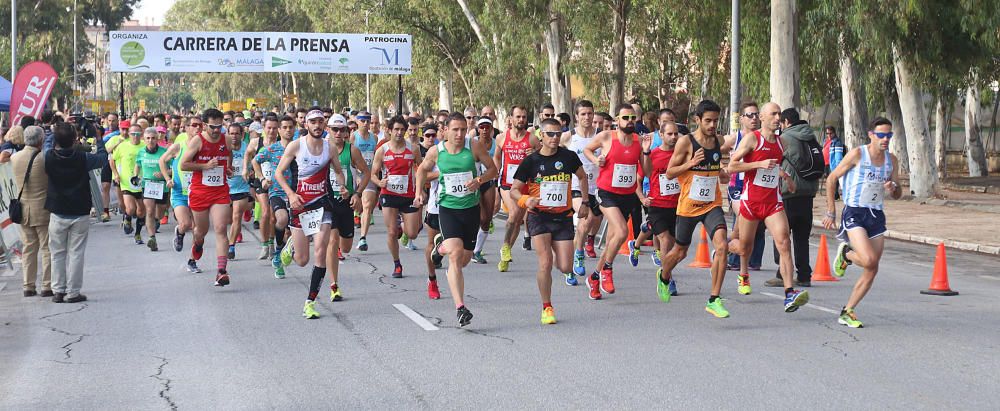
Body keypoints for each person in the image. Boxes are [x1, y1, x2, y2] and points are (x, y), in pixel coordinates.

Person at [415, 112, 498, 327]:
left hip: (470, 209)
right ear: (446, 131)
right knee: (455, 255)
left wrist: (479, 180)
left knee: (464, 259)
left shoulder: (475, 147)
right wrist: (418, 192)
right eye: (455, 129)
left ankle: (439, 247)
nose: (460, 134)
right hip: (448, 208)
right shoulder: (436, 151)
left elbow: (493, 170)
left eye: (463, 129)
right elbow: (421, 170)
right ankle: (460, 307)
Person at [726, 102, 810, 312]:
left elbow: (774, 165)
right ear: (762, 118)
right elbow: (732, 166)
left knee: (784, 243)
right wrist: (757, 164)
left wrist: (784, 175)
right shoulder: (752, 139)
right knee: (745, 247)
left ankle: (789, 293)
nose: (777, 117)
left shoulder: (782, 142)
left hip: (773, 202)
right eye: (773, 114)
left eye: (779, 114)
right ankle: (731, 258)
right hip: (751, 202)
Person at [822, 117, 902, 328]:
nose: (886, 139)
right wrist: (831, 211)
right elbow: (831, 179)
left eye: (889, 135)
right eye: (882, 135)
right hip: (855, 212)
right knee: (868, 259)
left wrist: (894, 189)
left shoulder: (891, 161)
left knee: (873, 266)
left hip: (876, 215)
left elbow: (898, 192)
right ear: (871, 135)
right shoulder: (858, 154)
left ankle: (848, 310)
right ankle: (846, 253)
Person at [511, 118, 589, 324]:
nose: (555, 138)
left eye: (558, 133)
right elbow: (514, 190)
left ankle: (558, 255)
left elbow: (582, 177)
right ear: (541, 136)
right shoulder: (531, 161)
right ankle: (547, 307)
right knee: (545, 263)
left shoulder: (569, 157)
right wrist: (526, 200)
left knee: (565, 267)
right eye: (550, 134)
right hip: (539, 217)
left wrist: (585, 202)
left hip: (563, 218)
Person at [274, 109, 348, 319]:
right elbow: (279, 173)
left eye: (320, 122)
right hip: (300, 205)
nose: (317, 125)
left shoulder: (330, 147)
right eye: (313, 122)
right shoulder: (296, 146)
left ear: (324, 125)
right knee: (302, 260)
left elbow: (339, 172)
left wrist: (342, 186)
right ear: (306, 125)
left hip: (322, 204)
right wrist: (290, 194)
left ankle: (310, 302)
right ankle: (290, 247)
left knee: (320, 250)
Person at [660, 100, 730, 317]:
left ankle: (714, 298)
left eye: (716, 121)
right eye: (708, 120)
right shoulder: (686, 143)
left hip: (712, 204)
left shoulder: (718, 140)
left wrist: (722, 173)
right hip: (689, 206)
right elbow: (670, 172)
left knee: (722, 246)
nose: (712, 125)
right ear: (697, 120)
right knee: (680, 252)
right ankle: (663, 275)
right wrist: (690, 163)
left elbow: (717, 168)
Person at [582, 104, 647, 300]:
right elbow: (587, 149)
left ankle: (594, 278)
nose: (629, 121)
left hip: (627, 196)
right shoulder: (607, 136)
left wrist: (647, 152)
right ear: (617, 120)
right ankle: (607, 271)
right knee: (622, 232)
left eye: (632, 118)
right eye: (625, 117)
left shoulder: (639, 141)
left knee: (612, 242)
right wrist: (595, 160)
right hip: (606, 193)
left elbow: (647, 171)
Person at [45, 122, 108, 303]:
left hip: (57, 211)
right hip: (79, 211)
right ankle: (73, 292)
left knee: (57, 253)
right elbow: (102, 158)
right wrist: (98, 137)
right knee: (76, 252)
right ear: (74, 139)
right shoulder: (83, 157)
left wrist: (52, 130)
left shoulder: (49, 157)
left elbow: (47, 145)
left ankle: (58, 290)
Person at [765, 108, 821, 288]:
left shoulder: (786, 138)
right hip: (808, 194)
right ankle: (804, 275)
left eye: (780, 122)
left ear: (786, 122)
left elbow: (772, 158)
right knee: (801, 237)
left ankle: (782, 275)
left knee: (780, 234)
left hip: (790, 193)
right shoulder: (811, 136)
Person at [180, 108, 234, 287]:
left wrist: (228, 168)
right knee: (201, 231)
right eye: (213, 127)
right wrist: (205, 166)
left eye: (220, 126)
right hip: (200, 192)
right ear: (204, 125)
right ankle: (197, 245)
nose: (217, 130)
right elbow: (184, 165)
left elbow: (228, 156)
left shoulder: (226, 140)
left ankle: (221, 271)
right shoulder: (197, 141)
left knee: (220, 228)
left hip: (220, 190)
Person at [324, 114, 370, 302]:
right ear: (328, 130)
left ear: (346, 132)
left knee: (346, 246)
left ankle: (339, 252)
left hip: (346, 202)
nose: (338, 133)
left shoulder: (352, 151)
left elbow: (366, 173)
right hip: (327, 201)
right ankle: (334, 285)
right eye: (334, 129)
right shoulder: (321, 149)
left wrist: (357, 194)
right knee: (332, 241)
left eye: (342, 129)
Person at [370, 116, 423, 278]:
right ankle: (397, 264)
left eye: (402, 130)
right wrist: (380, 183)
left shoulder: (413, 149)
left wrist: (420, 190)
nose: (399, 133)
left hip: (408, 195)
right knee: (392, 232)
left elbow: (420, 169)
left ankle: (404, 229)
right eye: (396, 130)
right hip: (389, 195)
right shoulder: (383, 150)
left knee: (412, 233)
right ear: (390, 130)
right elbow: (372, 174)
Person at [639, 122, 681, 301]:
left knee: (674, 245)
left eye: (675, 134)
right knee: (665, 240)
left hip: (678, 206)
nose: (673, 137)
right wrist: (642, 197)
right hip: (657, 205)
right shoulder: (653, 154)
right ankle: (667, 278)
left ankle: (665, 272)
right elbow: (641, 177)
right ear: (661, 136)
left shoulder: (682, 155)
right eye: (669, 134)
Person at [494, 105, 538, 272]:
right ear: (511, 119)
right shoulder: (501, 138)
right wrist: (494, 175)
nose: (521, 120)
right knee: (513, 214)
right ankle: (505, 247)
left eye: (524, 117)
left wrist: (533, 154)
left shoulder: (532, 139)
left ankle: (506, 252)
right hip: (506, 183)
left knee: (518, 220)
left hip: (524, 185)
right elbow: (497, 157)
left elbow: (542, 159)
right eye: (518, 117)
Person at [723, 102, 766, 272]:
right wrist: (721, 167)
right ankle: (731, 256)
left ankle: (754, 261)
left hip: (758, 187)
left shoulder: (763, 137)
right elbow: (713, 151)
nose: (754, 118)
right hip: (738, 187)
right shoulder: (735, 138)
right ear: (742, 119)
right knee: (743, 217)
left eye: (756, 114)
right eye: (750, 115)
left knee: (759, 222)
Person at [562, 100, 603, 279]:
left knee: (592, 224)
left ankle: (572, 256)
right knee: (586, 219)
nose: (587, 117)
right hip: (577, 187)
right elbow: (550, 149)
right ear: (576, 117)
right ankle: (579, 255)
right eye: (583, 114)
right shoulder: (569, 137)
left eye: (590, 113)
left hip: (598, 187)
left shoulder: (602, 136)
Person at [253, 115, 296, 278]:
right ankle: (277, 252)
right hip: (277, 192)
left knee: (293, 232)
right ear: (279, 130)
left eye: (290, 127)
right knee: (282, 219)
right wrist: (262, 178)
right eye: (284, 127)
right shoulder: (272, 149)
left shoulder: (300, 147)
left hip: (298, 193)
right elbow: (255, 162)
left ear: (294, 129)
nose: (287, 130)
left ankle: (284, 253)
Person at [12, 126, 51, 297]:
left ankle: (28, 285)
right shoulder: (44, 158)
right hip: (43, 209)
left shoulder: (14, 157)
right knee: (47, 248)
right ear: (41, 140)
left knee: (29, 248)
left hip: (23, 210)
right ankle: (46, 285)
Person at [158, 116, 198, 271]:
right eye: (193, 125)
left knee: (198, 230)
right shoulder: (178, 147)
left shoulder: (204, 147)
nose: (197, 128)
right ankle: (180, 232)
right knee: (186, 224)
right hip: (179, 193)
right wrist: (168, 178)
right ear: (186, 128)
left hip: (198, 193)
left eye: (200, 125)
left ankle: (192, 260)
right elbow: (162, 161)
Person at [244, 115, 280, 260]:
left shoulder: (282, 143)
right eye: (269, 128)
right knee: (265, 213)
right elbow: (248, 154)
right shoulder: (256, 142)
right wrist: (245, 169)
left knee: (273, 217)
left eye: (274, 128)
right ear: (264, 128)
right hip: (261, 181)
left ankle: (271, 243)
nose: (271, 131)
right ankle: (265, 245)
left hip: (277, 183)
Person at [133, 127, 169, 251]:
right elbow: (137, 165)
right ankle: (151, 238)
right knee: (149, 210)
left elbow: (172, 168)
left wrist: (164, 173)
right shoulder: (141, 152)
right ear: (144, 139)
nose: (150, 141)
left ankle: (155, 222)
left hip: (162, 186)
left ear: (157, 139)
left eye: (153, 138)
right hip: (147, 184)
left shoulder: (164, 152)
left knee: (159, 213)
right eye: (148, 138)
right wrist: (135, 175)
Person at [110, 124, 146, 245]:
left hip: (142, 182)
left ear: (141, 134)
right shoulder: (123, 146)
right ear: (129, 135)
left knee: (141, 211)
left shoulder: (145, 146)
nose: (135, 137)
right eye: (133, 134)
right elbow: (111, 160)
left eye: (138, 134)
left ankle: (138, 234)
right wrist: (115, 174)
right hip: (126, 182)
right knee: (130, 208)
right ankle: (128, 218)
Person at [470, 117, 498, 264]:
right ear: (478, 129)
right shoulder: (472, 143)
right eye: (482, 127)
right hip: (474, 182)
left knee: (487, 218)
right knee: (476, 217)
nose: (485, 130)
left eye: (487, 127)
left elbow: (498, 162)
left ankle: (477, 251)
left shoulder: (495, 143)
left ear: (491, 128)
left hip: (488, 181)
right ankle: (470, 246)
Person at [353, 111, 379, 251]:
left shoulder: (374, 138)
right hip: (356, 175)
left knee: (368, 205)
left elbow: (376, 157)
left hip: (368, 175)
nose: (366, 123)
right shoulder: (353, 137)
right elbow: (348, 156)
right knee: (359, 206)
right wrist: (356, 175)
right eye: (362, 120)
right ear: (357, 121)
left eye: (368, 120)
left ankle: (363, 238)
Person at [226, 123, 252, 259]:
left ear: (242, 135)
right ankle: (234, 234)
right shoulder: (223, 148)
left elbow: (254, 163)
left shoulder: (247, 148)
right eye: (231, 133)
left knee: (236, 216)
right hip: (225, 187)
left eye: (237, 133)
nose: (234, 136)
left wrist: (251, 171)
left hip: (242, 187)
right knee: (228, 218)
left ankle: (231, 246)